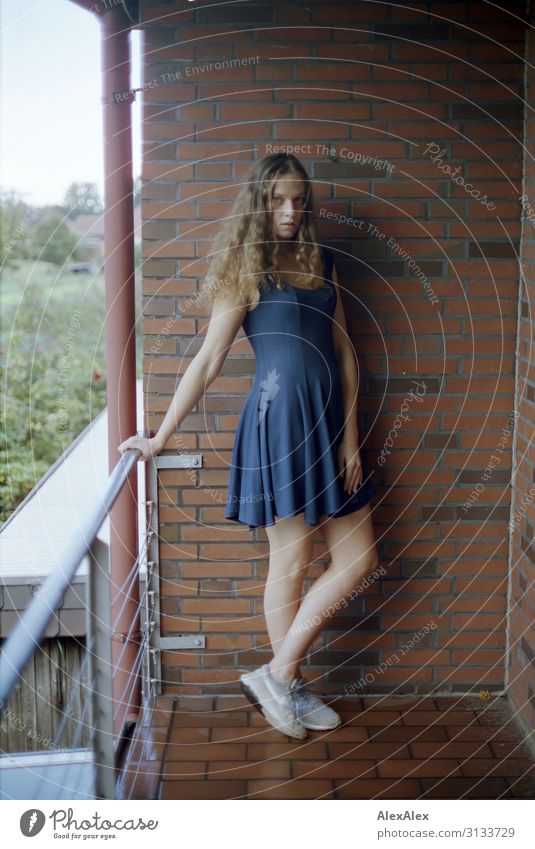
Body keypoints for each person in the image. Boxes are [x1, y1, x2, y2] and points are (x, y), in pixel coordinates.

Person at [118, 153, 380, 741]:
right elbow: (209, 360)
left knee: (359, 559)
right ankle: (288, 682)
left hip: (331, 423)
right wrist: (162, 435)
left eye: (298, 200)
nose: (290, 211)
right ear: (260, 202)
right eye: (278, 199)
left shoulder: (322, 261)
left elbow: (344, 353)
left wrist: (352, 436)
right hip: (280, 423)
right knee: (290, 563)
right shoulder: (247, 266)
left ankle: (278, 676)